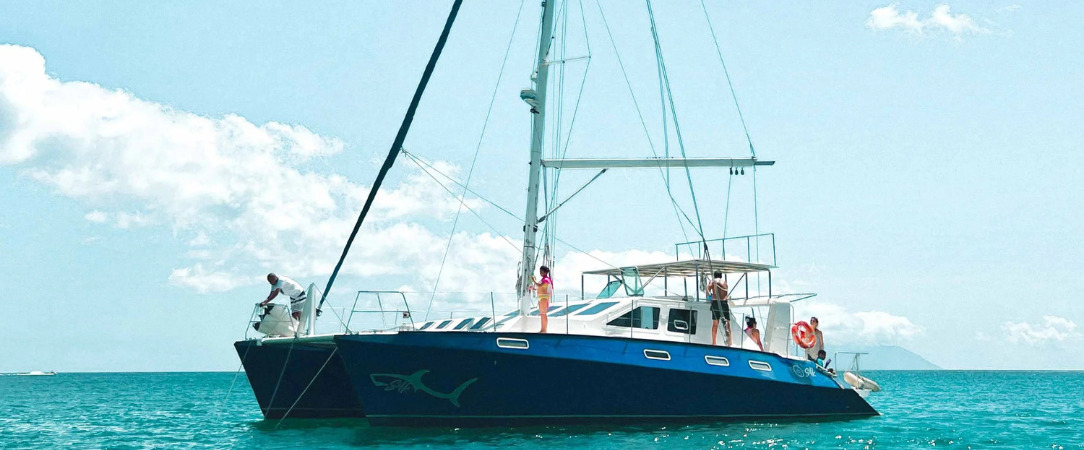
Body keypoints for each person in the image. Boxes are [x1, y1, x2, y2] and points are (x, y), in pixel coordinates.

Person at [705, 271, 731, 346]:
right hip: (724, 303)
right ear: (721, 276)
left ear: (714, 275)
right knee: (727, 323)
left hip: (716, 303)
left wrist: (710, 297)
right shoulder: (725, 283)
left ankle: (714, 342)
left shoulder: (713, 282)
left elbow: (707, 291)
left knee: (715, 324)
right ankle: (730, 342)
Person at [531, 265, 552, 333]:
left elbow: (540, 285)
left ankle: (544, 329)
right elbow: (539, 287)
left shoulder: (546, 279)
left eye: (541, 272)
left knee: (543, 313)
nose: (540, 273)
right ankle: (542, 329)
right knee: (542, 314)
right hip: (541, 297)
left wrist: (533, 280)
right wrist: (533, 288)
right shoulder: (542, 280)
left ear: (545, 272)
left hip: (544, 297)